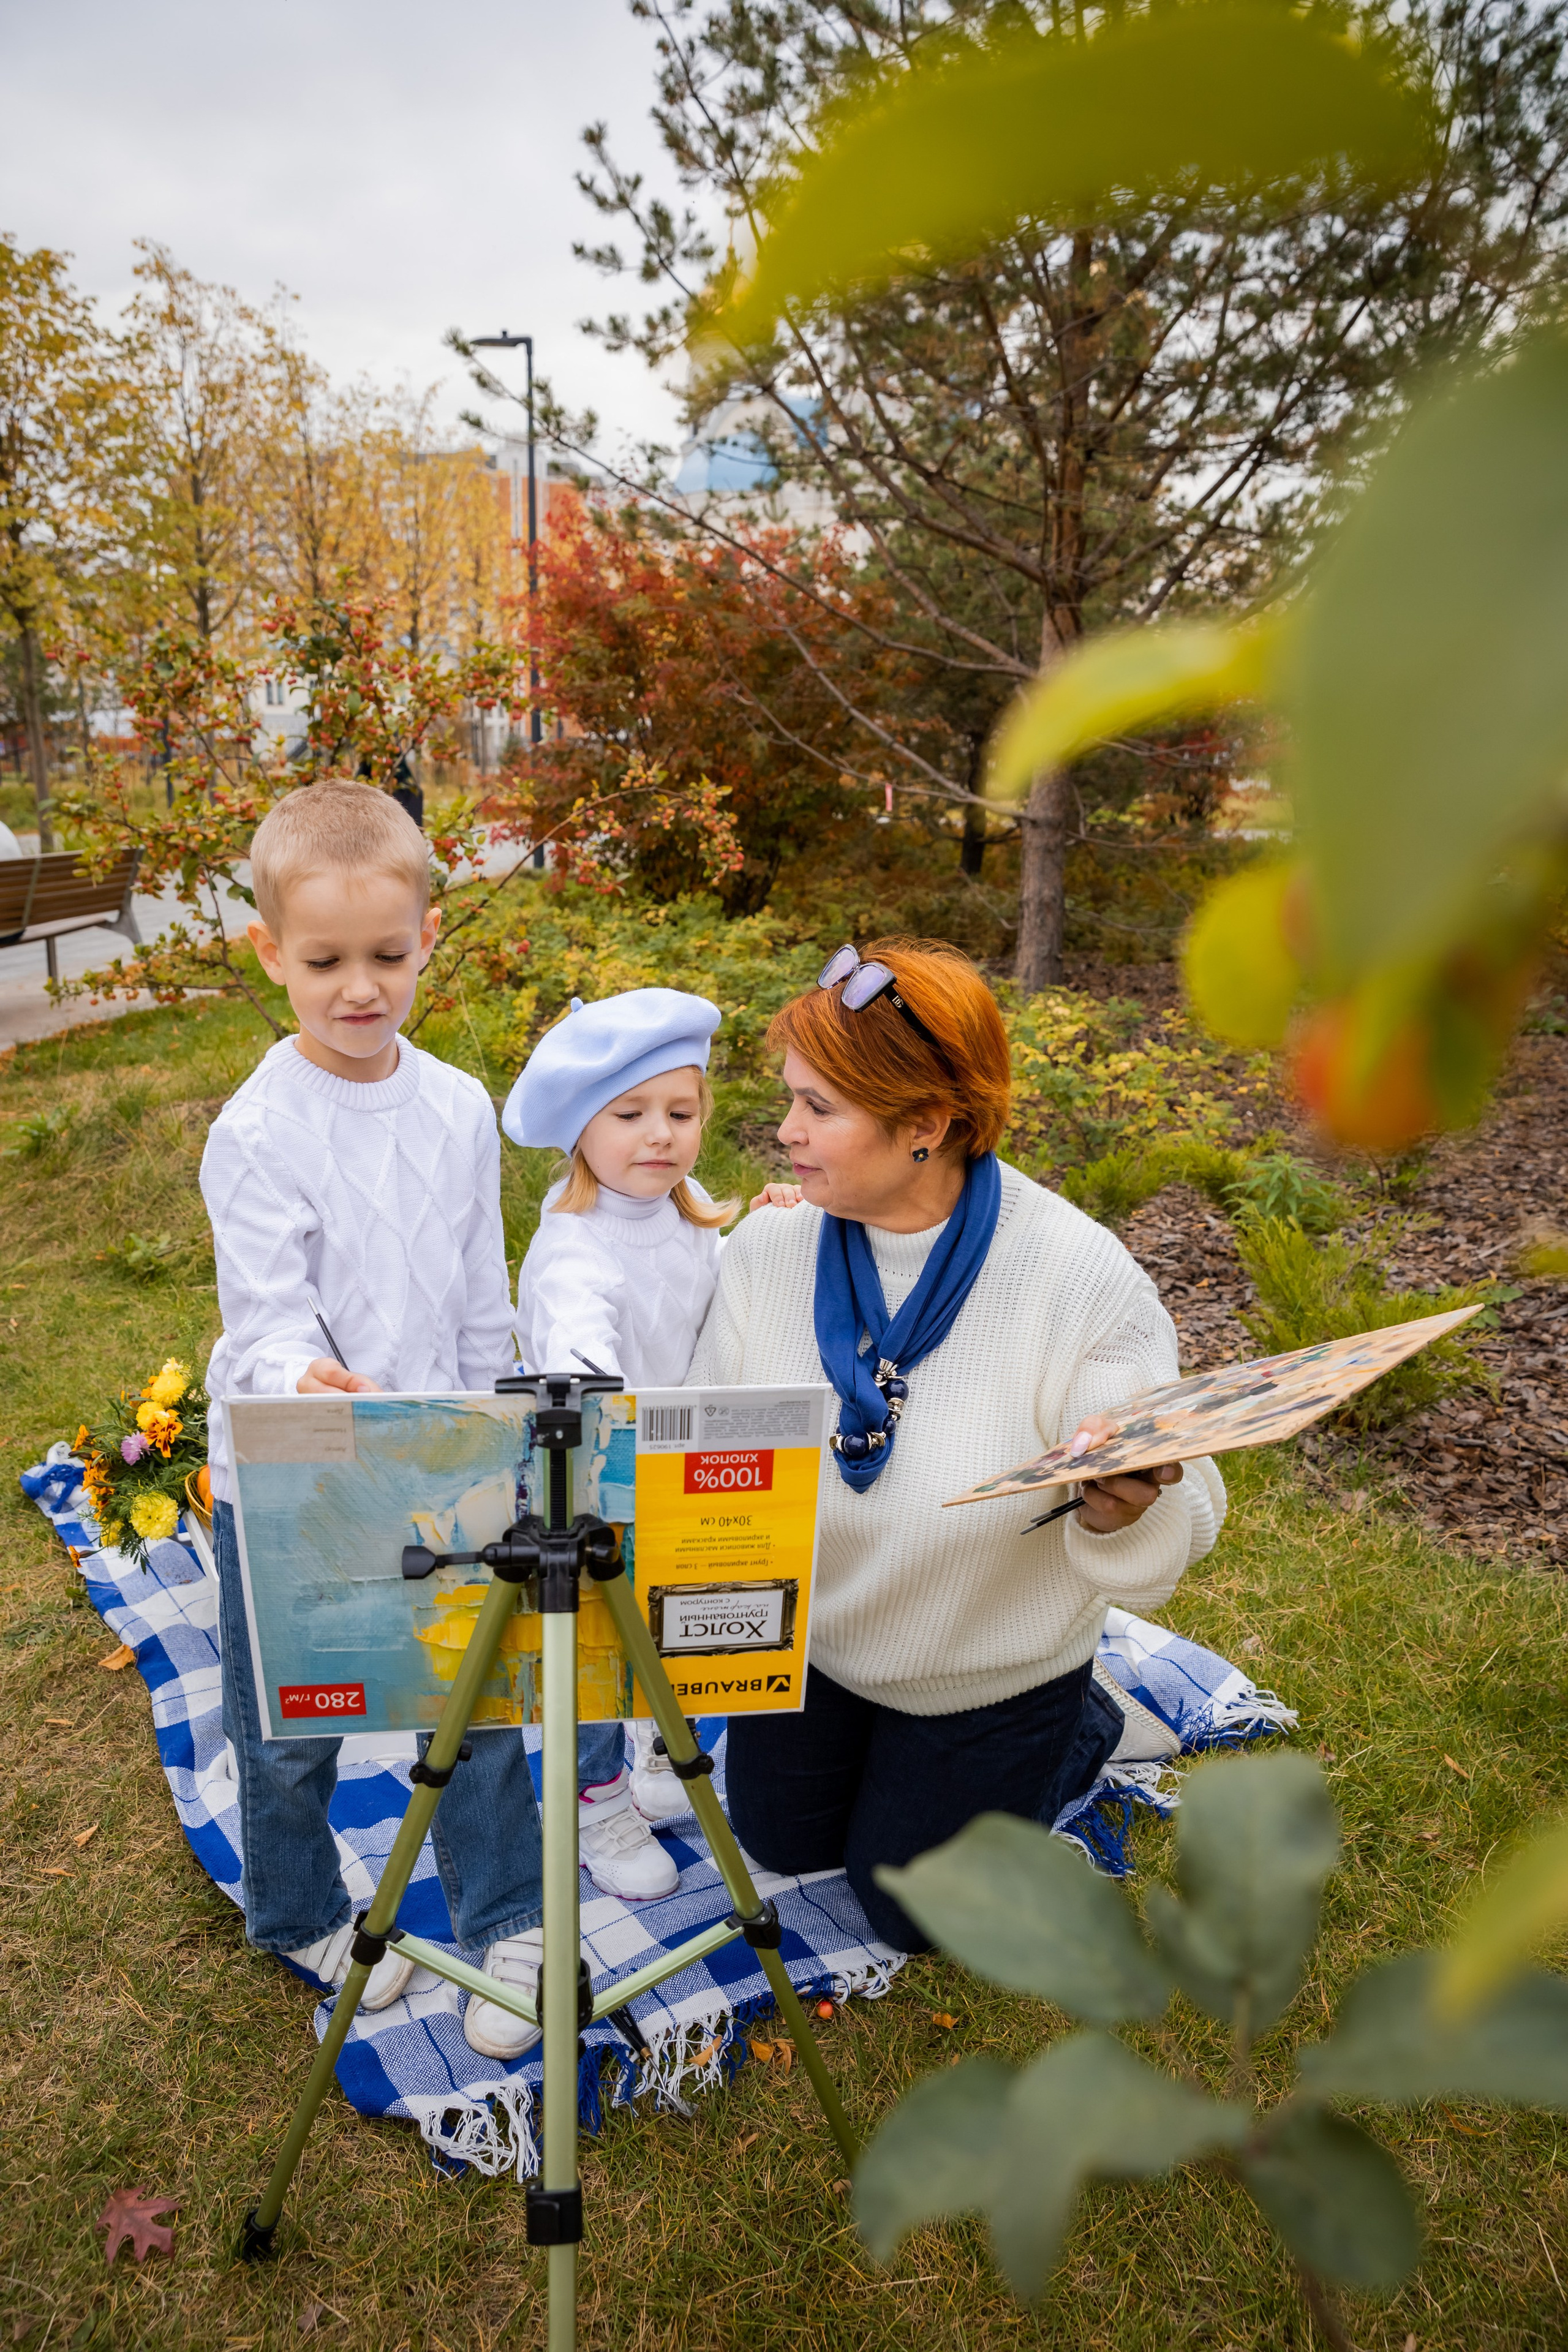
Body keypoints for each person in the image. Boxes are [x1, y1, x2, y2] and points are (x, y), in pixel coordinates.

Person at [688, 937, 1226, 1951]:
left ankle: (1080, 1725)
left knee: (907, 1917)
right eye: (790, 1098)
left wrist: (1132, 1502)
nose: (784, 1133)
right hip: (824, 1644)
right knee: (776, 1842)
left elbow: (1188, 1493)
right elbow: (715, 1449)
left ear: (927, 1125)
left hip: (985, 1660)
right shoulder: (769, 1247)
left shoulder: (1077, 1276)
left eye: (819, 1109)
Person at [200, 778, 545, 2061]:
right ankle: (296, 1907)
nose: (361, 988)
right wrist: (305, 1380)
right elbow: (268, 1313)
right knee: (298, 1716)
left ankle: (503, 1908)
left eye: (387, 957)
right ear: (269, 954)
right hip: (292, 1470)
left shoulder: (456, 1107)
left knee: (475, 1689)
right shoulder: (255, 1132)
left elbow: (475, 1286)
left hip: (438, 1449)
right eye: (325, 961)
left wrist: (491, 1415)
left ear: (427, 939)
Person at [503, 989, 797, 1897]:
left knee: (677, 1618)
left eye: (681, 1112)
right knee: (594, 1645)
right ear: (581, 1130)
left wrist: (767, 1228)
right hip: (587, 1465)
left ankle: (664, 1751)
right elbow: (579, 1347)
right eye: (629, 1115)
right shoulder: (574, 1248)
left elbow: (707, 1285)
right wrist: (598, 1388)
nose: (658, 1135)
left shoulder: (685, 1204)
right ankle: (598, 1798)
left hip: (672, 1455)